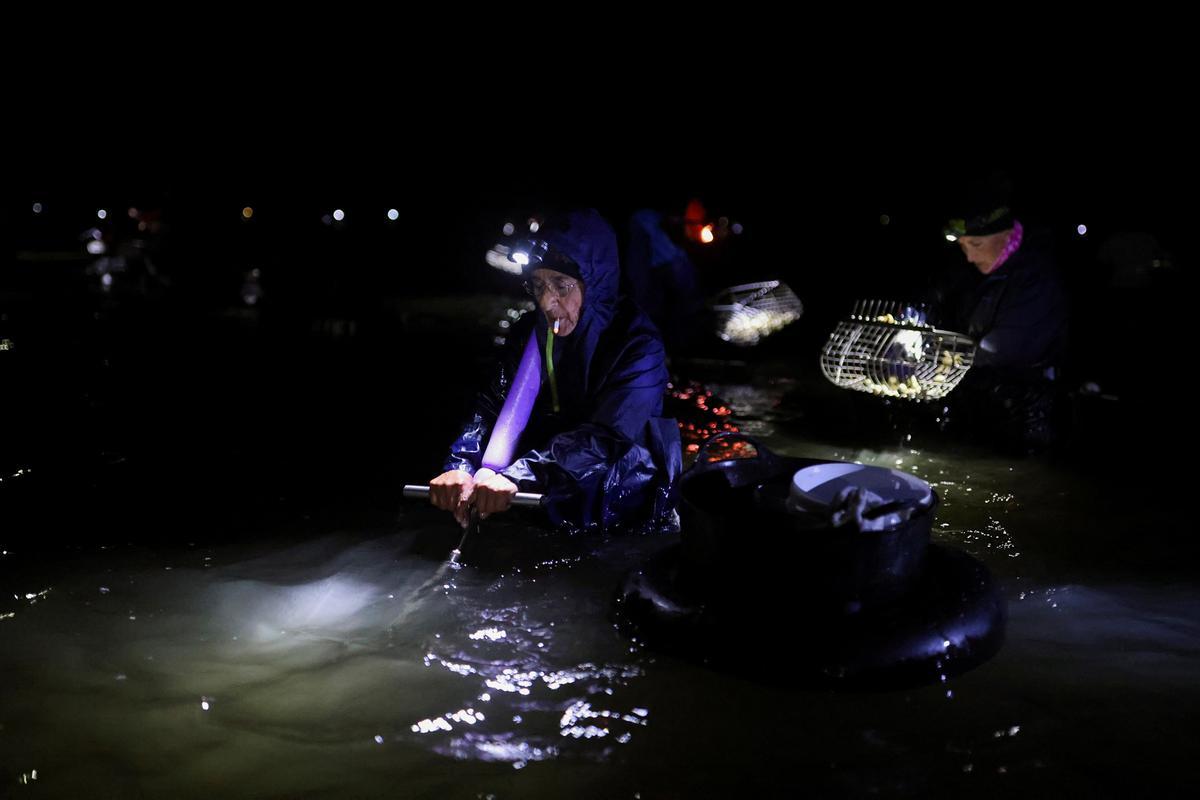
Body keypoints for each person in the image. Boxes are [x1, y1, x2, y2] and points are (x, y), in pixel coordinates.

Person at [428, 208, 681, 529]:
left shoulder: (638, 343)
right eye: (538, 285)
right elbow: (491, 404)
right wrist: (461, 465)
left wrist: (520, 475)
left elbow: (607, 437)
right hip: (541, 490)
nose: (546, 302)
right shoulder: (527, 334)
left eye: (561, 286)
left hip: (619, 504)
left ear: (593, 285)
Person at [933, 174, 1069, 450]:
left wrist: (933, 356)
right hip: (983, 406)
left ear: (1006, 234)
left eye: (977, 245)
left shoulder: (1036, 279)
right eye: (963, 246)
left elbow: (1002, 350)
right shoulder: (975, 272)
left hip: (1029, 416)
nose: (969, 257)